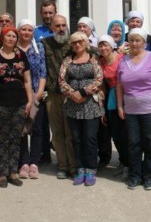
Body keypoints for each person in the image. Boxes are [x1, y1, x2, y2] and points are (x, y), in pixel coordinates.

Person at [116, 28, 151, 190]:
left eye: (138, 40)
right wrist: (119, 106)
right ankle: (135, 175)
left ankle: (150, 175)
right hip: (131, 109)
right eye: (131, 40)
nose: (135, 43)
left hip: (150, 108)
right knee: (133, 144)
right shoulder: (123, 61)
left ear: (144, 42)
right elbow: (119, 86)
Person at [59, 32, 105, 186]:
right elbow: (61, 80)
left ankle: (91, 169)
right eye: (74, 43)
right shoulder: (67, 60)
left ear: (86, 43)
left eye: (80, 42)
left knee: (90, 138)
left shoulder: (94, 60)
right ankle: (79, 168)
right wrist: (73, 94)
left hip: (90, 103)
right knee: (76, 138)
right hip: (72, 104)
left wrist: (84, 92)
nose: (77, 45)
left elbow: (99, 79)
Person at [0, 27, 33, 187]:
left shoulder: (21, 56)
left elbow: (27, 80)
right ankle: (2, 173)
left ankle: (13, 172)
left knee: (16, 138)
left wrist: (29, 101)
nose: (11, 38)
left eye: (14, 36)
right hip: (0, 103)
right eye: (8, 35)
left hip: (19, 103)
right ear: (2, 37)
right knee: (1, 138)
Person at [42, 15, 77, 179]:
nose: (61, 28)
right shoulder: (44, 44)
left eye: (64, 25)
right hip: (53, 95)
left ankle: (73, 165)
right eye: (58, 26)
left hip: (70, 95)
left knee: (70, 132)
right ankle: (63, 165)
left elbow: (93, 51)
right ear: (52, 27)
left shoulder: (74, 42)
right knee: (56, 132)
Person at [16, 20, 47, 180]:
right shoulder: (13, 48)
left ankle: (34, 162)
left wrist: (40, 92)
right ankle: (23, 162)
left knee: (36, 129)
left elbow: (43, 71)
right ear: (18, 31)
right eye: (23, 29)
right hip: (18, 95)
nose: (26, 32)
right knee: (21, 129)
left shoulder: (38, 47)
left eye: (29, 30)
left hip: (35, 93)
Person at [98, 34, 128, 178]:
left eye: (106, 45)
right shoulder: (100, 62)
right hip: (111, 97)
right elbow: (102, 85)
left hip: (127, 95)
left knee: (127, 132)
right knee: (116, 132)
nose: (103, 48)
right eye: (101, 45)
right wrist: (102, 108)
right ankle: (123, 161)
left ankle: (130, 162)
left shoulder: (122, 57)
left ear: (112, 46)